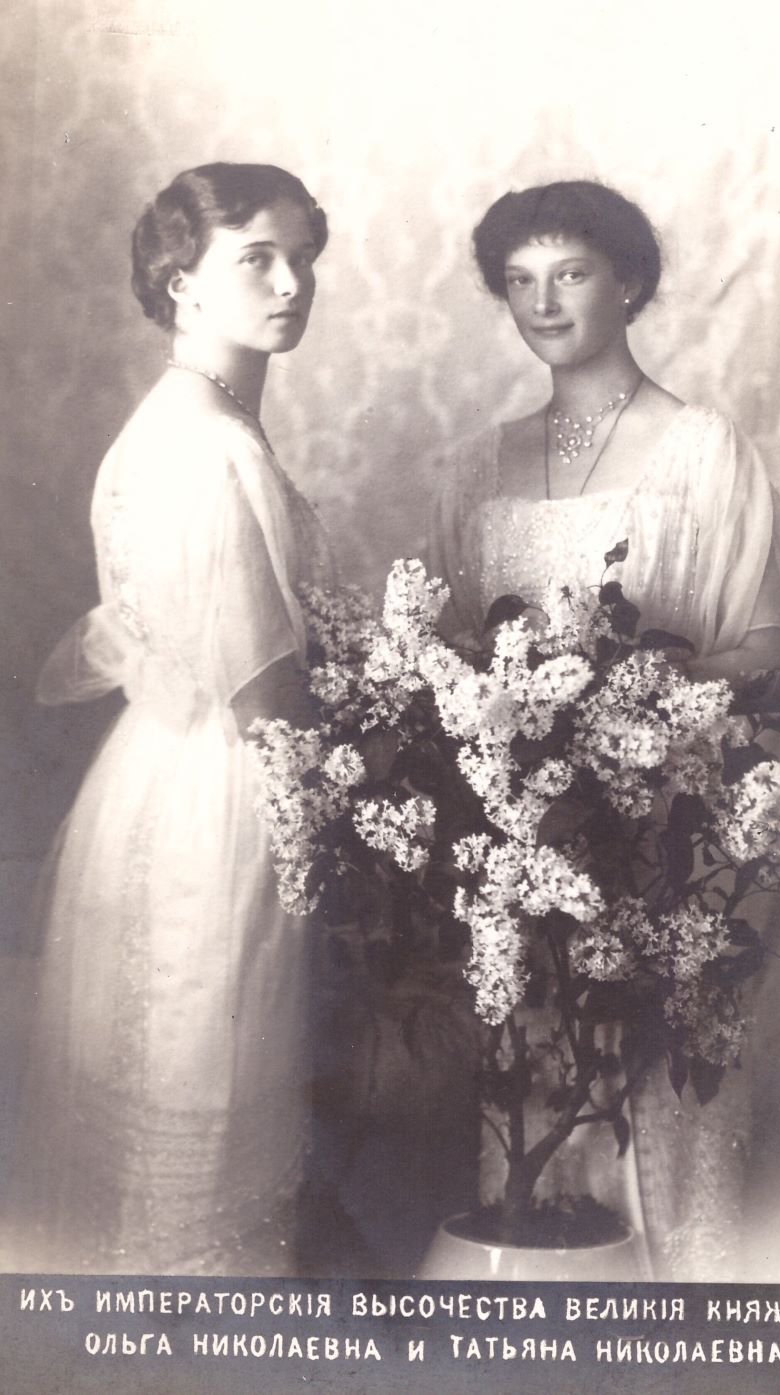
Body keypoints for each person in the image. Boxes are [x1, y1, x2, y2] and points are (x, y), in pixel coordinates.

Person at [429, 180, 780, 1280]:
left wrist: (641, 696)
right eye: (520, 282)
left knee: (653, 1095)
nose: (544, 303)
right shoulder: (475, 467)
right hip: (520, 849)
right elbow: (444, 657)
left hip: (657, 831)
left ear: (629, 282)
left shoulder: (704, 453)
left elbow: (771, 649)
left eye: (572, 274)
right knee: (534, 1106)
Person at [1, 163, 333, 1274]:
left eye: (303, 257)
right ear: (181, 283)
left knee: (172, 1065)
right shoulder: (210, 442)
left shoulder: (181, 419)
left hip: (161, 771)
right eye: (258, 257)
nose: (293, 282)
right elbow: (263, 690)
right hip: (227, 787)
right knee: (205, 1057)